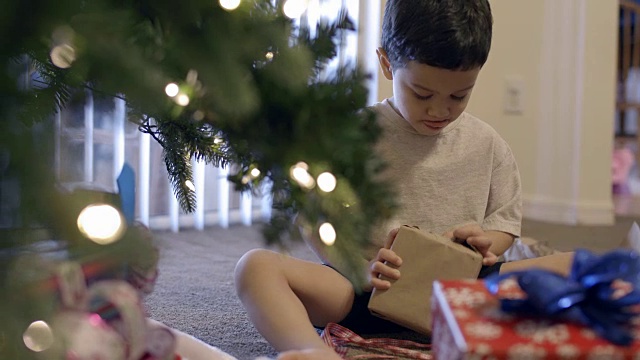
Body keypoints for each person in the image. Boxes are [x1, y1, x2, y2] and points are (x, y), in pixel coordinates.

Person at [234, 1, 573, 359]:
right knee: (255, 268)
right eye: (422, 94)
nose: (440, 111)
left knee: (574, 266)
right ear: (387, 64)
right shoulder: (355, 136)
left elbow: (504, 224)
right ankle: (313, 353)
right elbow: (316, 219)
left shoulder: (488, 145)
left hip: (463, 292)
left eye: (459, 95)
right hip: (366, 293)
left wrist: (483, 241)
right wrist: (358, 269)